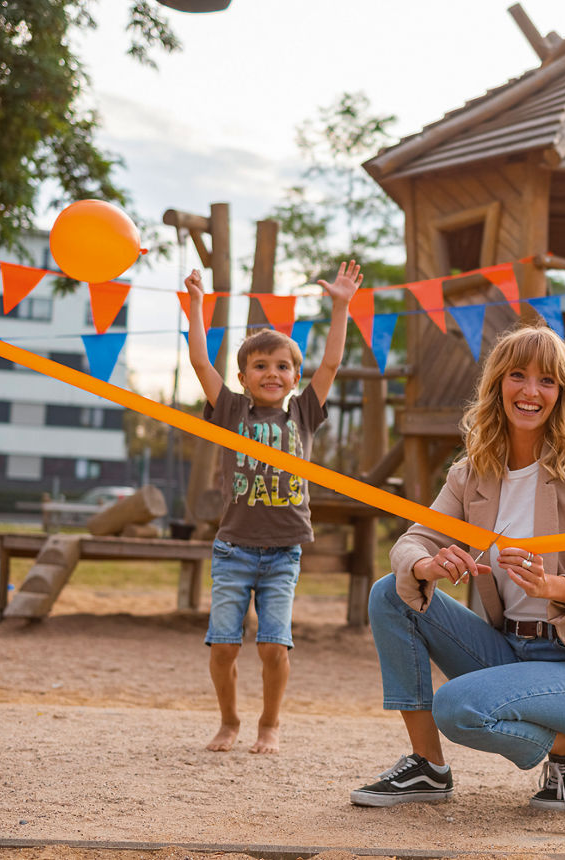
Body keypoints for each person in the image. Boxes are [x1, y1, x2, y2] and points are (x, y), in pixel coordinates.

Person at [351, 324, 565, 812]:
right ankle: (428, 768)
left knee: (457, 706)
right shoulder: (471, 472)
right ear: (497, 385)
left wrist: (556, 585)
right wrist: (427, 563)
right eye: (518, 376)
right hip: (506, 650)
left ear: (561, 394)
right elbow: (413, 540)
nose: (530, 391)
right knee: (389, 592)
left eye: (547, 381)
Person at [185, 260, 362, 754]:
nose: (272, 373)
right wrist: (198, 305)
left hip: (283, 552)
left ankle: (270, 724)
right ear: (243, 377)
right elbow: (202, 363)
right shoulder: (231, 411)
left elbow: (330, 365)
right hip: (233, 549)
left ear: (293, 376)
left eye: (282, 366)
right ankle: (228, 721)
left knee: (272, 644)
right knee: (223, 645)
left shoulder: (304, 413)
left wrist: (341, 306)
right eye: (260, 366)